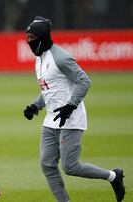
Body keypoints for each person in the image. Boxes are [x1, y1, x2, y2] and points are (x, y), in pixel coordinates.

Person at [23, 16, 125, 202]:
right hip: (51, 120)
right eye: (27, 37)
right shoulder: (39, 59)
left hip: (71, 118)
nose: (29, 41)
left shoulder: (61, 57)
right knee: (47, 164)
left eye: (32, 37)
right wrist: (35, 106)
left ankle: (113, 176)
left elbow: (84, 81)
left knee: (70, 167)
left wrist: (70, 106)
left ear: (43, 37)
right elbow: (50, 89)